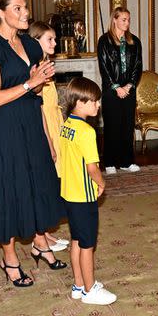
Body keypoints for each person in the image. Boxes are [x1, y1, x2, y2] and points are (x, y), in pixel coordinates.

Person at [0, 0, 65, 287]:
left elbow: (34, 92)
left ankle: (39, 243)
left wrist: (40, 80)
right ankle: (9, 259)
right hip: (5, 128)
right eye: (18, 9)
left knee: (35, 184)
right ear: (0, 13)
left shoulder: (30, 46)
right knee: (7, 189)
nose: (25, 14)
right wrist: (30, 82)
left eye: (26, 8)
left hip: (31, 124)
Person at [59, 77, 117, 304]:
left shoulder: (66, 126)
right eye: (94, 101)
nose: (98, 105)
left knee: (76, 239)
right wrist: (101, 183)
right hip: (84, 196)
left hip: (69, 193)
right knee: (87, 245)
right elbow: (92, 167)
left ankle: (78, 284)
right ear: (80, 103)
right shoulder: (86, 132)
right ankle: (90, 290)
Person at [28, 21, 70, 252]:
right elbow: (39, 110)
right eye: (50, 39)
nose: (55, 43)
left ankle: (45, 234)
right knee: (43, 184)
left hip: (55, 125)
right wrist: (49, 142)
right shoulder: (36, 68)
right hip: (44, 130)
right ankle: (39, 236)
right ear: (36, 41)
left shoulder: (45, 64)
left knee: (51, 182)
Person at [97, 7, 142, 174]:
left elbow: (138, 66)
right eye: (123, 19)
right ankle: (109, 162)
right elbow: (104, 68)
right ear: (114, 20)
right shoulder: (104, 41)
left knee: (127, 126)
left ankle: (127, 161)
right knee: (112, 126)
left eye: (128, 19)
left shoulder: (134, 41)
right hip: (111, 90)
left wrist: (129, 85)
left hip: (129, 90)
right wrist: (116, 87)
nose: (127, 23)